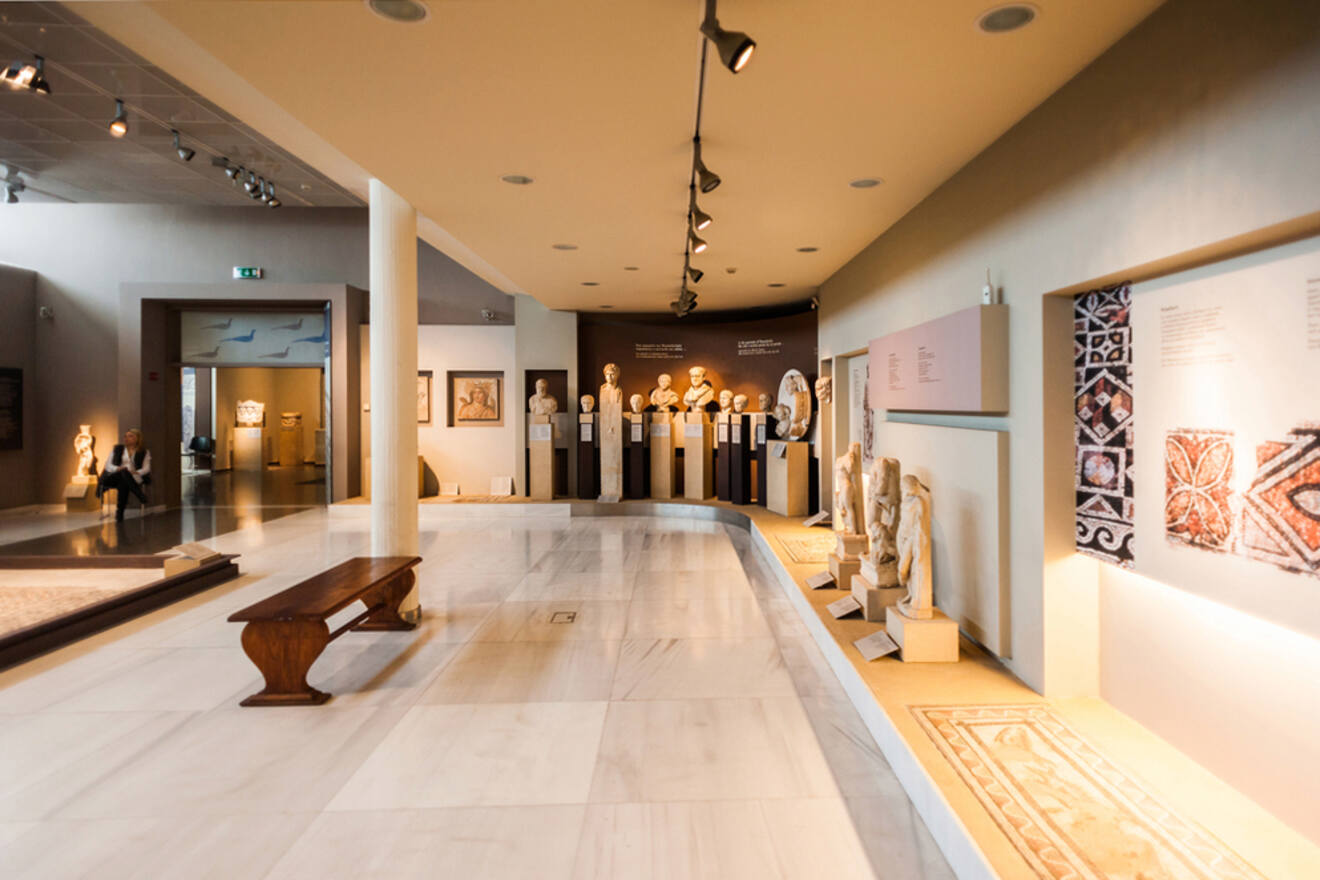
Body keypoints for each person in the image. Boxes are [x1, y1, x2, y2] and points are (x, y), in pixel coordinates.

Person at [98, 428, 151, 521]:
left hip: (133, 477)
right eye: (125, 436)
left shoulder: (144, 452)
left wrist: (136, 472)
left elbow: (147, 468)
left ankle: (120, 513)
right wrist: (118, 468)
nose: (126, 438)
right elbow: (108, 465)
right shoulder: (117, 449)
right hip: (114, 476)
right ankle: (139, 494)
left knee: (123, 483)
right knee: (123, 472)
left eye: (130, 436)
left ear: (137, 438)